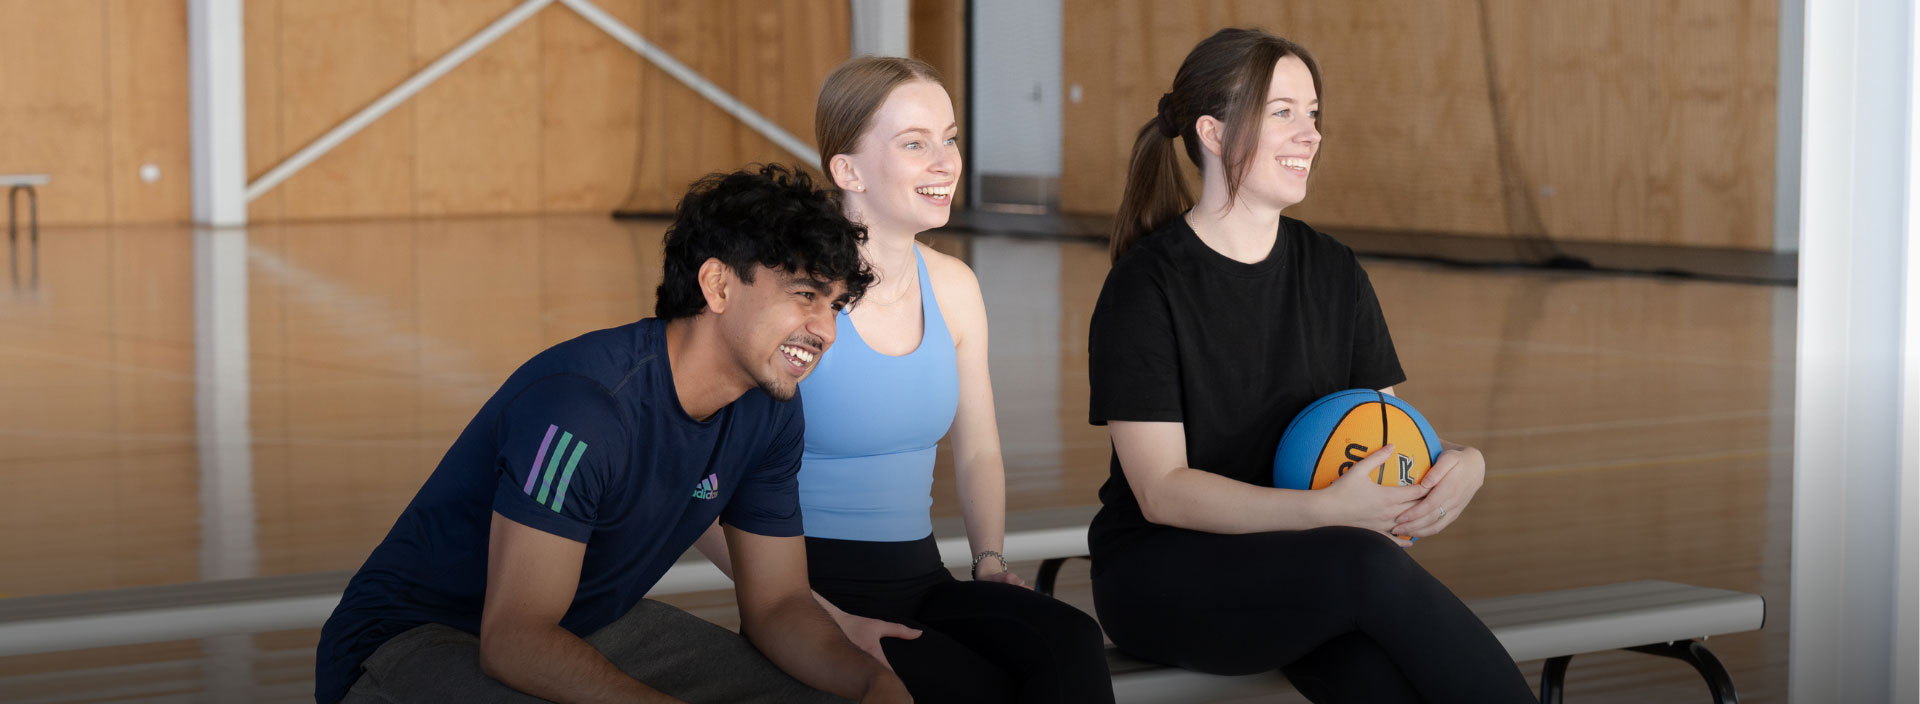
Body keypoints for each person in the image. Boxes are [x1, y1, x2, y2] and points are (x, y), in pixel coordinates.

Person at [313, 164, 912, 704]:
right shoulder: (585, 408)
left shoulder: (771, 411)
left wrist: (871, 682)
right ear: (718, 286)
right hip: (414, 640)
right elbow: (515, 639)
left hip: (586, 623)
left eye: (835, 305)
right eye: (805, 296)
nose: (825, 331)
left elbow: (779, 604)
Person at [1085, 28, 1537, 703]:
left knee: (1379, 673)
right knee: (1364, 565)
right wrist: (1325, 509)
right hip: (1165, 574)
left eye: (1314, 113)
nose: (1311, 134)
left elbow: (1383, 431)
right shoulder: (1146, 285)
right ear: (1213, 133)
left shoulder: (1333, 270)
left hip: (1305, 561)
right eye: (1283, 112)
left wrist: (1460, 464)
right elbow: (1163, 492)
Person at [694, 57, 1113, 704]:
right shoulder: (785, 299)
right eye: (915, 144)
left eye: (950, 138)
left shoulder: (954, 287)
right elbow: (693, 487)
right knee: (975, 688)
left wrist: (990, 562)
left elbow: (978, 450)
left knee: (1070, 643)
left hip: (921, 576)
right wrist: (803, 611)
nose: (946, 162)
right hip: (806, 590)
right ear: (848, 171)